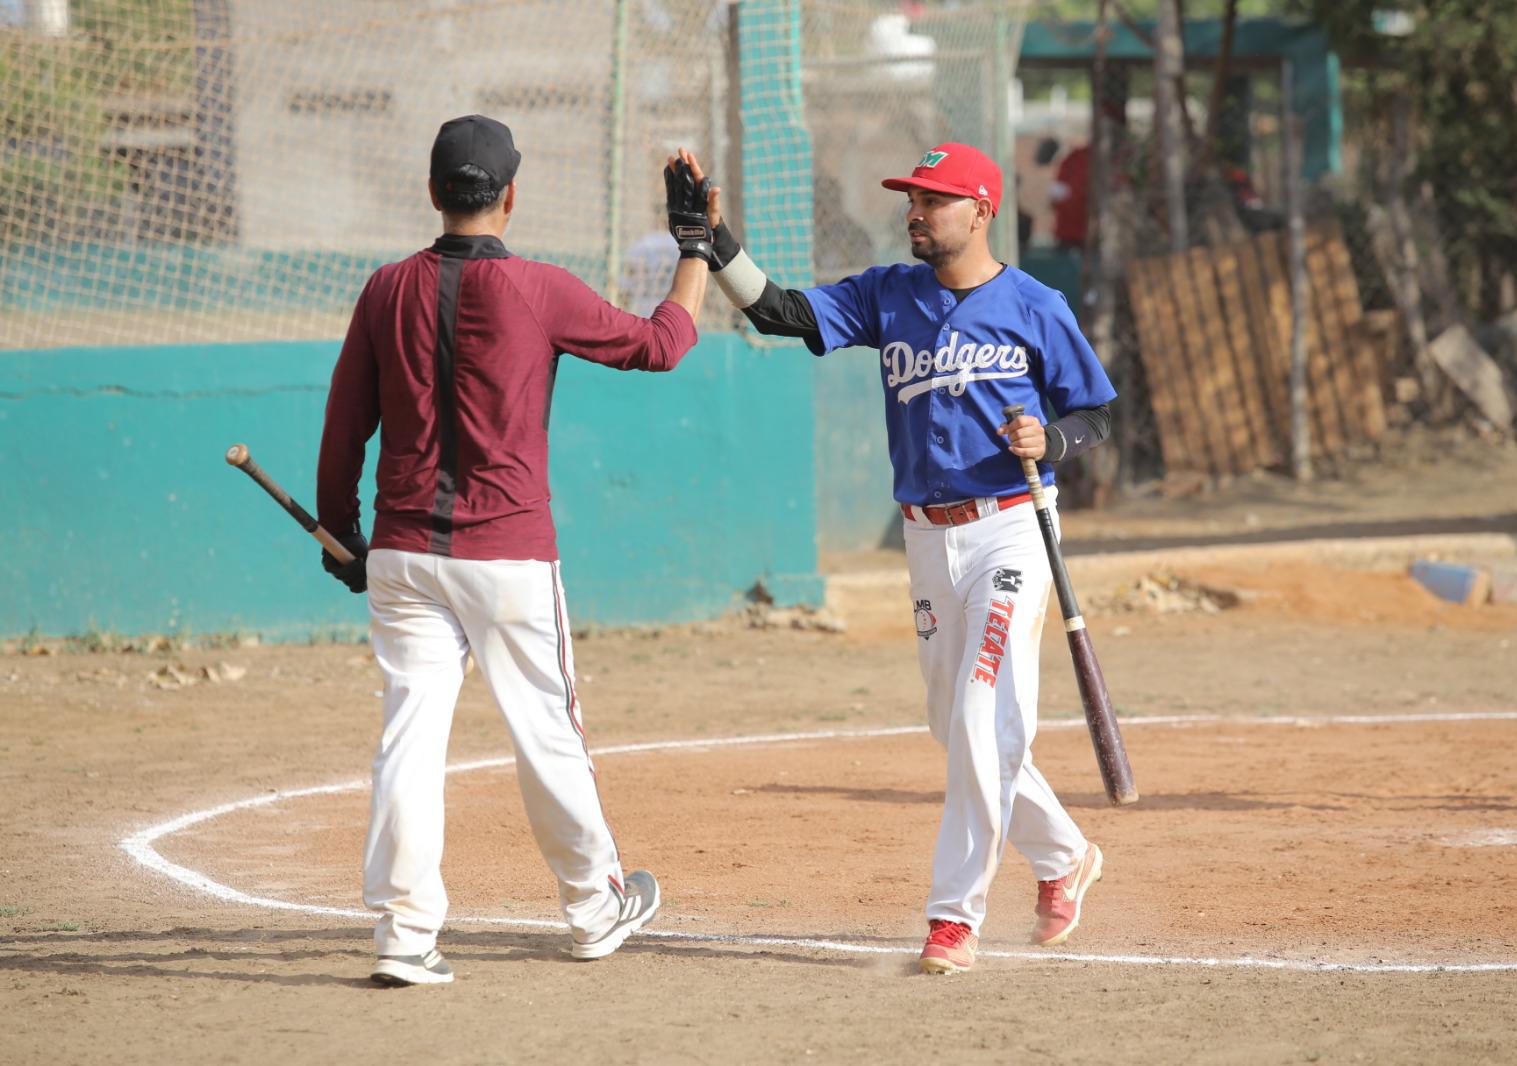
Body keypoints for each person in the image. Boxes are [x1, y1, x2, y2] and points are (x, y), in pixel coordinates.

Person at [315, 115, 719, 986]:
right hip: (508, 555)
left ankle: (403, 934)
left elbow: (347, 419)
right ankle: (593, 904)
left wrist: (335, 528)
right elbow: (662, 345)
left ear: (432, 192)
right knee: (546, 731)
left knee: (407, 740)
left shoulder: (386, 288)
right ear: (510, 196)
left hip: (402, 553)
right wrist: (695, 248)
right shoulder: (538, 287)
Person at [696, 143, 1115, 974]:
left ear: (981, 211)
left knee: (979, 713)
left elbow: (1095, 414)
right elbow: (780, 313)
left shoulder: (1034, 305)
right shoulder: (890, 294)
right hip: (927, 536)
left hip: (1008, 528)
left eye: (933, 200)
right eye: (911, 201)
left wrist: (1053, 437)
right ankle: (1063, 854)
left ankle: (952, 918)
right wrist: (717, 244)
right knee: (952, 724)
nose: (915, 213)